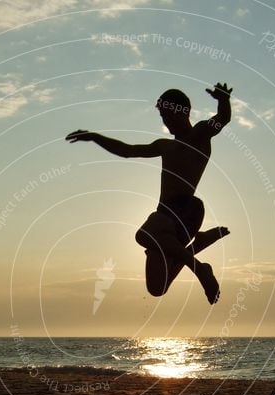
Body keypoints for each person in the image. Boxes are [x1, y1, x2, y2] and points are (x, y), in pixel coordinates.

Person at [66, 82, 232, 304]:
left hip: (186, 209)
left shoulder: (201, 133)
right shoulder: (164, 145)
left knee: (143, 235)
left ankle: (200, 270)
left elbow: (223, 118)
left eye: (168, 115)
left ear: (181, 111)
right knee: (157, 287)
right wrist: (96, 137)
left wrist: (223, 99)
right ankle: (198, 245)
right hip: (164, 218)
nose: (165, 122)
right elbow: (127, 151)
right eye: (162, 117)